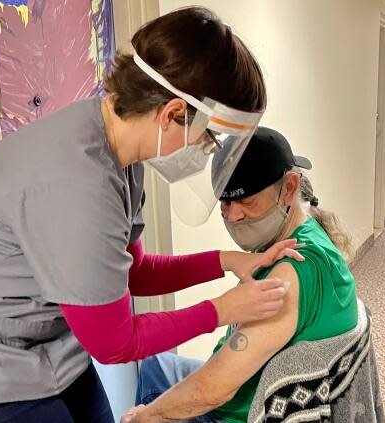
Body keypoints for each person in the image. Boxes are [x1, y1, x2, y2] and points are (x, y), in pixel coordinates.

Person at [0, 8, 303, 423]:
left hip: (43, 344)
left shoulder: (123, 153)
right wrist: (224, 309)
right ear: (173, 113)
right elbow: (115, 342)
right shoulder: (76, 180)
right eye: (209, 135)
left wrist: (228, 263)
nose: (207, 148)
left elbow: (133, 272)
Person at [124, 127, 358, 423]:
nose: (233, 215)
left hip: (239, 412)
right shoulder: (308, 233)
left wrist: (146, 416)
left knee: (147, 402)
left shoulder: (290, 271)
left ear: (288, 188)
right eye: (225, 202)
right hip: (248, 384)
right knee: (155, 366)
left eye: (247, 201)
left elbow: (215, 390)